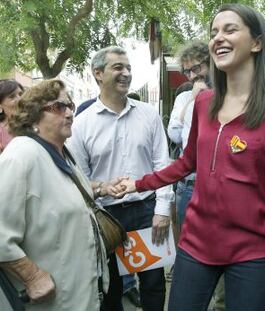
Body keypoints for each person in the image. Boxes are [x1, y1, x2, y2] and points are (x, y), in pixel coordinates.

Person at [116, 4, 265, 311]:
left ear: (257, 43)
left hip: (255, 252)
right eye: (214, 32)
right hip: (196, 244)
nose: (218, 38)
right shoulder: (204, 102)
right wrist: (139, 183)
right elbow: (187, 162)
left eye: (230, 29)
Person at [67, 46, 173, 311]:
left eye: (128, 68)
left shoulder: (148, 115)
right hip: (107, 218)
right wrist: (101, 192)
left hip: (147, 212)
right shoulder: (81, 124)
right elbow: (80, 180)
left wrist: (162, 210)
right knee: (111, 288)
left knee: (153, 285)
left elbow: (162, 165)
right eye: (118, 68)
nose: (126, 73)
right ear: (98, 74)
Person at [0, 79, 111, 310]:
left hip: (83, 291)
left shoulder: (62, 152)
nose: (70, 113)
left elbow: (65, 195)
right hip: (55, 300)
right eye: (60, 107)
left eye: (71, 105)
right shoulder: (21, 155)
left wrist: (102, 188)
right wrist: (32, 277)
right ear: (33, 116)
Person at [167, 41, 210, 230]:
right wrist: (194, 100)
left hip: (219, 185)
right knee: (187, 246)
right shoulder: (184, 98)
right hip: (189, 185)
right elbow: (175, 134)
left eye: (197, 68)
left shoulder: (228, 95)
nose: (192, 76)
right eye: (187, 71)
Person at [0, 79, 23, 153]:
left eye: (21, 94)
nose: (19, 99)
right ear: (1, 105)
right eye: (12, 96)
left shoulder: (37, 123)